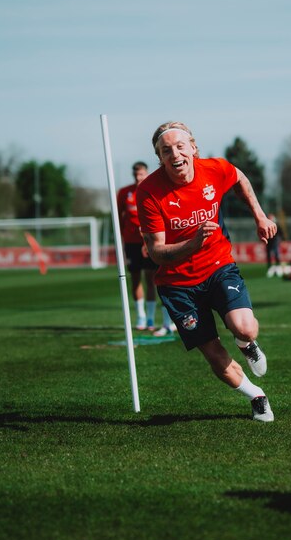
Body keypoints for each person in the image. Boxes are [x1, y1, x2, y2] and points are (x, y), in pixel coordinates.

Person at [137, 122, 278, 422]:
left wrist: (260, 216)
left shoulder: (214, 168)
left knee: (245, 328)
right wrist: (194, 242)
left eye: (180, 146)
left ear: (193, 148)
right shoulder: (148, 192)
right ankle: (256, 395)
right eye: (166, 151)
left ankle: (246, 344)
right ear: (160, 158)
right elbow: (157, 253)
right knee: (213, 353)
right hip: (176, 285)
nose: (175, 154)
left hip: (218, 266)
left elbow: (239, 178)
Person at [117, 161, 173, 334]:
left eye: (141, 174)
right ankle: (141, 316)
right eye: (135, 174)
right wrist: (121, 239)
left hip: (150, 242)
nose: (138, 177)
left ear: (146, 174)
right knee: (135, 278)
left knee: (153, 278)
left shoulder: (153, 190)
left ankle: (155, 317)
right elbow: (119, 217)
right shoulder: (124, 193)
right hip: (131, 242)